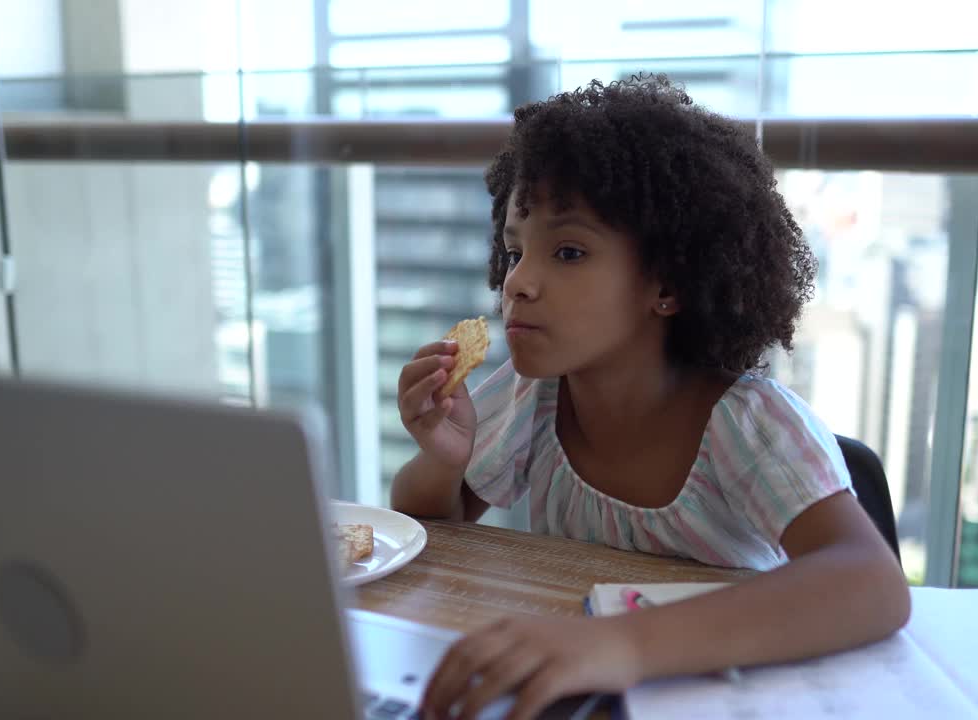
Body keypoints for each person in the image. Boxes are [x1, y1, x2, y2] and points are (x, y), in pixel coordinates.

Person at [390, 74, 910, 720]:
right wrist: (442, 459)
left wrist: (618, 644)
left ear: (668, 283)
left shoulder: (748, 424)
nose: (519, 282)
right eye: (515, 251)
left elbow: (873, 585)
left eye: (569, 251)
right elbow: (436, 532)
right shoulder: (533, 396)